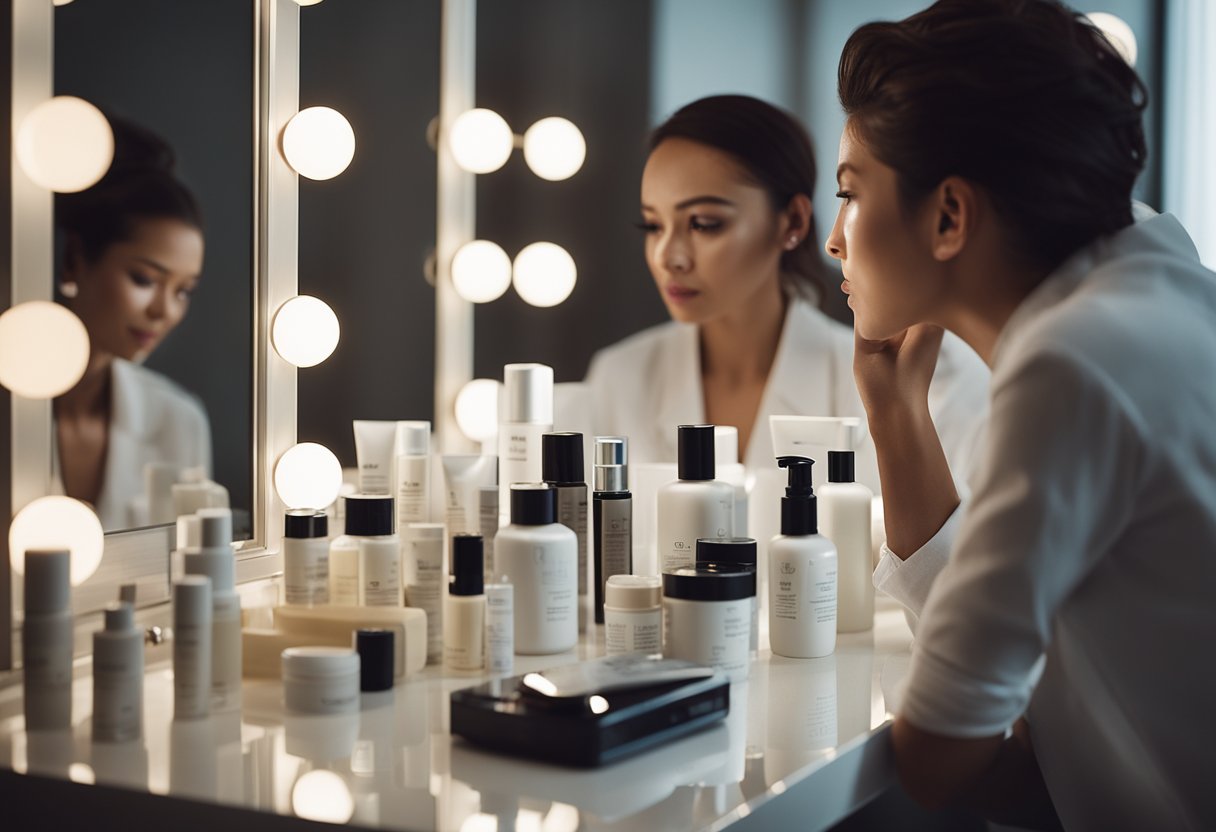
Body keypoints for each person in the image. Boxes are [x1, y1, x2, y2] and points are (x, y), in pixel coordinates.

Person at [827, 1, 1215, 828]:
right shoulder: (1157, 281)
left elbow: (941, 754)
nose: (834, 239)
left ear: (949, 216)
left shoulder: (1076, 363)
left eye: (852, 194)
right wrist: (897, 416)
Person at [584, 94, 988, 488]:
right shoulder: (618, 379)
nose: (668, 257)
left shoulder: (911, 384)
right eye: (653, 226)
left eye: (704, 223)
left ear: (792, 221)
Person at [53, 118, 211, 530]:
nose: (165, 311)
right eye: (145, 280)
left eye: (183, 291)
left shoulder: (178, 420)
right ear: (75, 259)